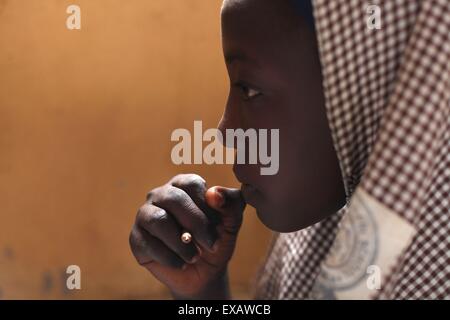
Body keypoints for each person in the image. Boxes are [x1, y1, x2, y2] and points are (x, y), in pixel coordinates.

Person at [130, 0, 450, 299]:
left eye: (250, 89)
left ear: (367, 90)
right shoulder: (327, 230)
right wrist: (204, 292)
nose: (226, 131)